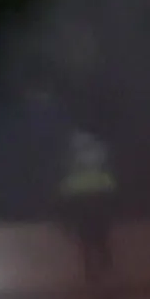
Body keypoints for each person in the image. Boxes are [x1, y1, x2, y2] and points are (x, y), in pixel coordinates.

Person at [54, 122, 119, 289]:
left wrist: (65, 221)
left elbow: (64, 193)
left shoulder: (70, 161)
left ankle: (97, 285)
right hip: (98, 209)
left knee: (89, 251)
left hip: (84, 211)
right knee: (101, 248)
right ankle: (106, 282)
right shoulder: (99, 156)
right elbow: (110, 187)